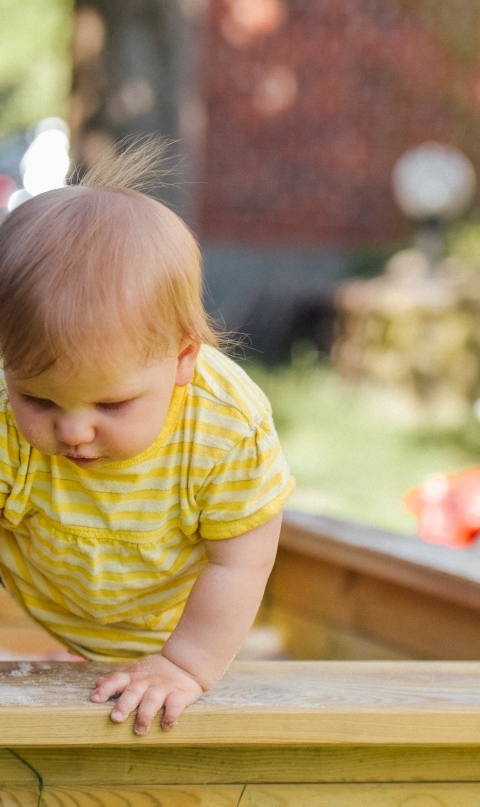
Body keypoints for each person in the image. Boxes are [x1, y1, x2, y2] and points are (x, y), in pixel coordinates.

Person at [0, 145, 294, 734]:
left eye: (111, 404)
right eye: (39, 399)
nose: (74, 430)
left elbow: (242, 559)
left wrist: (184, 665)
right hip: (53, 598)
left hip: (178, 618)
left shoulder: (225, 427)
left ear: (182, 360)